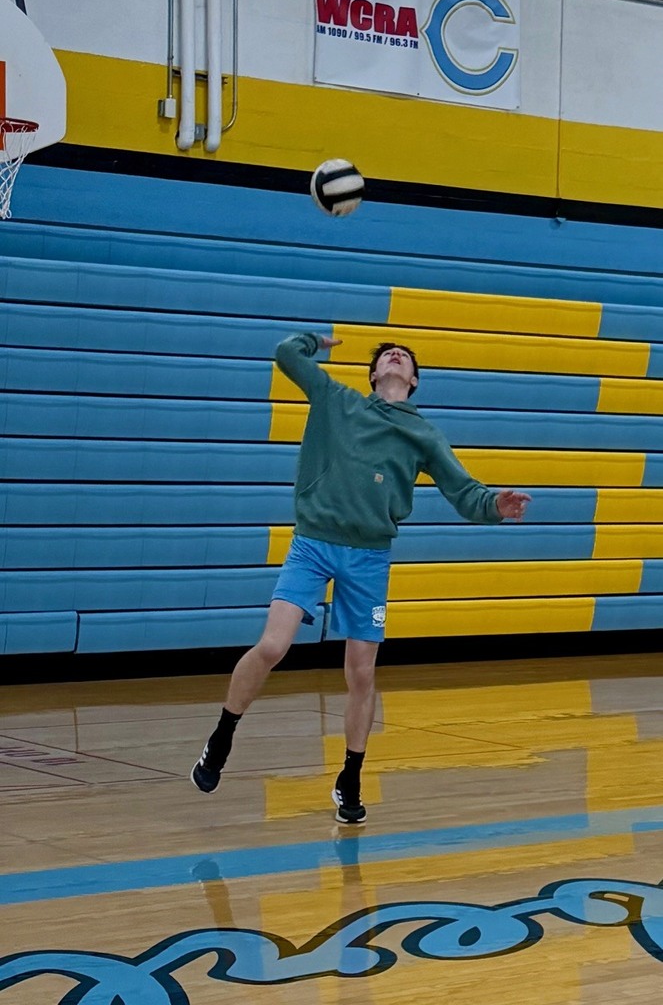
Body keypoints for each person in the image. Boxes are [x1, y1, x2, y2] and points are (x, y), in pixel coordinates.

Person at [191, 333, 531, 823]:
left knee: (362, 674)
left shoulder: (424, 435)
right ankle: (221, 737)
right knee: (272, 647)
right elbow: (287, 355)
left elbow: (466, 492)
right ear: (373, 375)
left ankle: (350, 776)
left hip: (369, 558)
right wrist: (315, 341)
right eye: (386, 355)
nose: (395, 356)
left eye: (405, 357)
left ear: (412, 380)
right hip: (313, 543)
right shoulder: (337, 400)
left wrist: (495, 506)